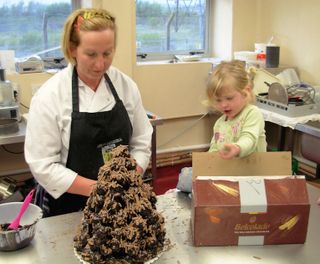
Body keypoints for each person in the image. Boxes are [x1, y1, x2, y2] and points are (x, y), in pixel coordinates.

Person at [24, 8, 153, 217]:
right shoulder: (50, 96)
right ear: (72, 49)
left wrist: (129, 180)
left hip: (121, 201)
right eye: (91, 54)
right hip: (67, 208)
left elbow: (141, 141)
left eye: (107, 53)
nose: (100, 64)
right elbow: (43, 165)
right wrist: (101, 191)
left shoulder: (125, 86)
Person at [176, 60, 267, 192]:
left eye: (229, 98)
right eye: (218, 100)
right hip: (228, 176)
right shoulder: (220, 123)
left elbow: (249, 139)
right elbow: (214, 149)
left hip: (252, 178)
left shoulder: (252, 113)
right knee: (186, 177)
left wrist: (237, 148)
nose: (224, 105)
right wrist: (206, 163)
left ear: (245, 91)